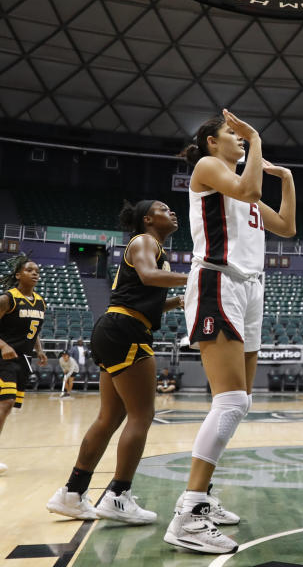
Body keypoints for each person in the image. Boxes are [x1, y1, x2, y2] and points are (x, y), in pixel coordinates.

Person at [164, 110, 297, 553]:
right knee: (232, 399)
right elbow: (248, 186)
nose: (239, 140)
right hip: (216, 279)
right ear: (210, 143)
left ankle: (204, 496)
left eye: (242, 136)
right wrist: (256, 138)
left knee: (241, 401)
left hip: (250, 288)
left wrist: (290, 178)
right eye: (232, 135)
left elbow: (287, 227)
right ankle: (188, 513)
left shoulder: (242, 189)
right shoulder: (208, 169)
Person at [47, 200, 188, 524]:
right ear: (148, 219)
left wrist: (176, 301)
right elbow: (150, 277)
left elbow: (145, 297)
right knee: (142, 415)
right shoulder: (144, 241)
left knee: (109, 418)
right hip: (126, 330)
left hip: (115, 328)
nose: (173, 212)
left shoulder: (154, 249)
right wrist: (196, 278)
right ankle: (117, 496)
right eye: (165, 209)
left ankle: (72, 493)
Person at [0, 254, 48, 476]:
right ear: (18, 274)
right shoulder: (7, 299)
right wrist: (3, 346)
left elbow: (34, 329)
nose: (35, 273)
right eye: (30, 270)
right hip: (4, 358)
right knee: (6, 403)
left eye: (37, 270)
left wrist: (39, 350)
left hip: (23, 360)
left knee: (8, 407)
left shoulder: (40, 301)